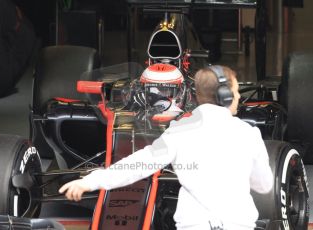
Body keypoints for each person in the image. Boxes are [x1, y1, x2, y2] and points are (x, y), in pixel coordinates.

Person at [59, 65, 273, 229]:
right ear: (225, 97)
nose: (238, 96)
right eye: (235, 91)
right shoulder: (248, 134)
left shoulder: (179, 132)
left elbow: (139, 165)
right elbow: (264, 186)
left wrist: (92, 180)